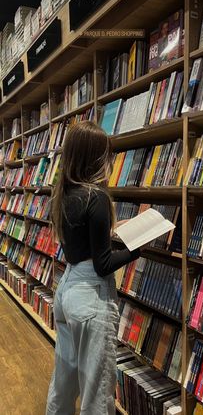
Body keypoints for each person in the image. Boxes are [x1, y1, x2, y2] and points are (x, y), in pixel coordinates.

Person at [46, 121, 140, 415]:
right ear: (97, 157)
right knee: (97, 393)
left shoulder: (65, 194)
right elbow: (102, 265)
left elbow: (83, 241)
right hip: (90, 297)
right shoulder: (97, 197)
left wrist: (111, 230)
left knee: (64, 378)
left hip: (68, 288)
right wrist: (138, 246)